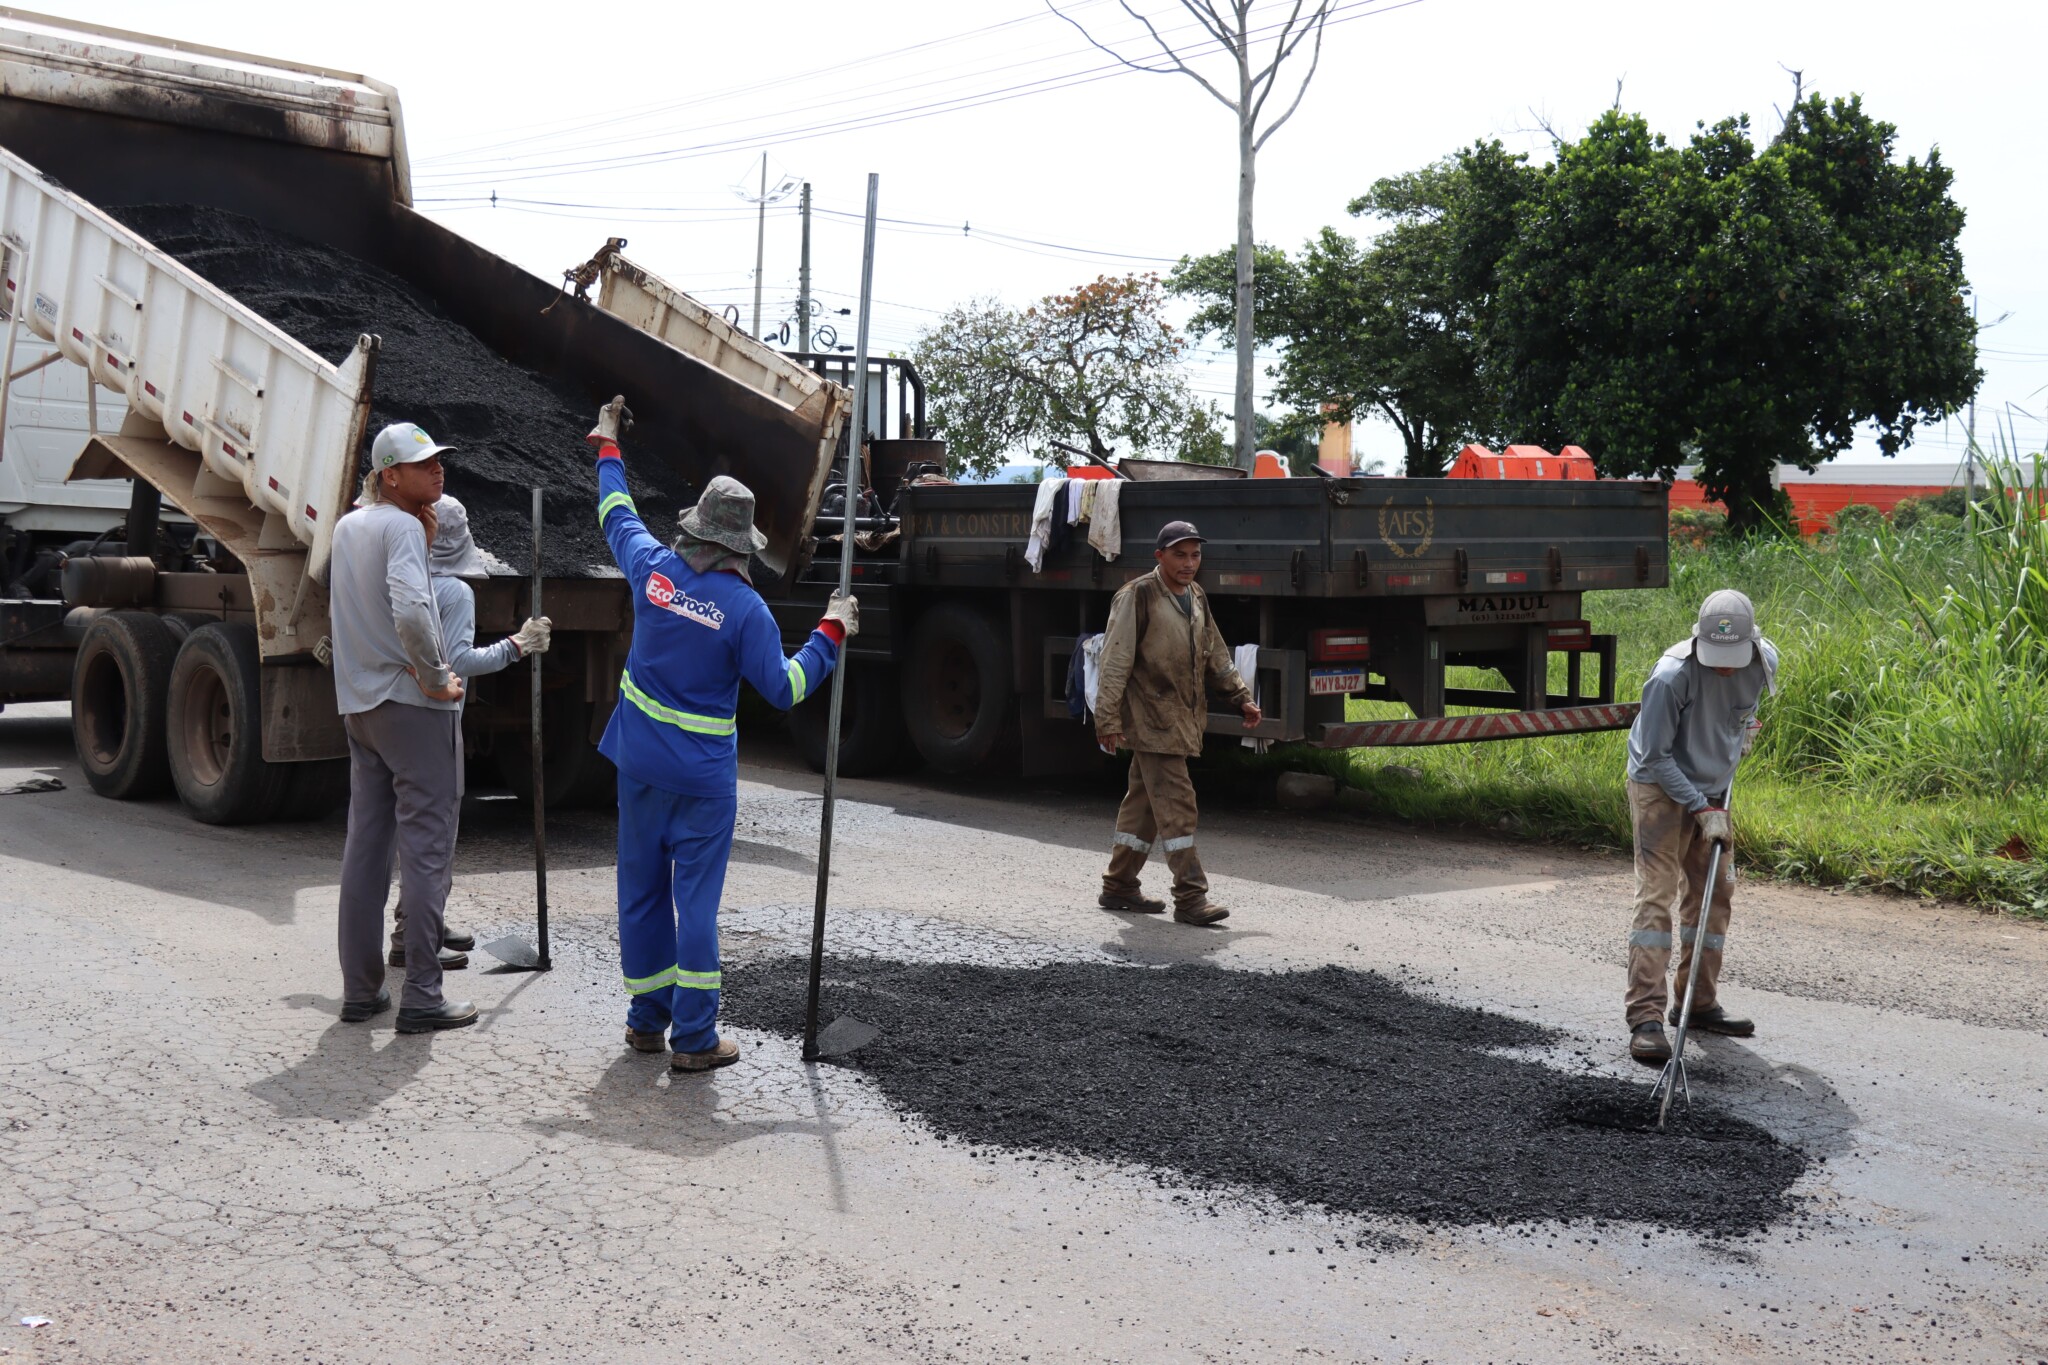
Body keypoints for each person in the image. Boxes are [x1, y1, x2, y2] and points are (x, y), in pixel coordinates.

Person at [589, 398, 857, 1072]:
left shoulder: (652, 570)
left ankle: (646, 1022)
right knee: (696, 905)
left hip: (639, 764)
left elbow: (614, 513)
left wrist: (608, 445)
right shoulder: (747, 611)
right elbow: (786, 688)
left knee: (642, 891)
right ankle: (697, 1038)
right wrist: (832, 630)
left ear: (695, 530)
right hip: (703, 784)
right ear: (741, 545)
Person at [329, 421, 476, 1034]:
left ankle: (362, 992)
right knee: (426, 847)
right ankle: (421, 994)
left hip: (359, 707)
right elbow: (413, 608)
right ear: (390, 475)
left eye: (440, 461)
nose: (438, 471)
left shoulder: (349, 525)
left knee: (366, 849)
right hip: (411, 709)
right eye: (424, 464)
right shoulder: (400, 527)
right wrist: (437, 674)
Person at [378, 494, 552, 971]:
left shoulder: (396, 578)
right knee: (435, 836)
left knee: (413, 832)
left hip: (390, 717)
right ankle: (414, 938)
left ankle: (417, 922)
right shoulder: (455, 593)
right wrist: (517, 646)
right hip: (434, 722)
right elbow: (459, 662)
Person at [1623, 588, 1778, 1064]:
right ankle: (1646, 1018)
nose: (1726, 667)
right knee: (1657, 897)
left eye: (1734, 657)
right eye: (1718, 657)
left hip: (1713, 790)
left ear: (1751, 642)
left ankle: (1699, 1001)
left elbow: (1745, 709)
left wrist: (1744, 727)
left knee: (1715, 895)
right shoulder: (1671, 677)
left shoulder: (1765, 660)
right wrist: (1698, 806)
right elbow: (1655, 756)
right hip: (1660, 789)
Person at [1094, 520, 1262, 926]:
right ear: (1160, 556)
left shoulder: (1196, 596)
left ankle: (1118, 886)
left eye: (1195, 555)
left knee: (1144, 808)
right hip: (1151, 719)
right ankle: (1190, 897)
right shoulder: (1137, 596)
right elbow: (1114, 662)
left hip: (1181, 718)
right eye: (1180, 555)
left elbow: (1215, 653)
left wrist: (1241, 696)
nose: (1189, 563)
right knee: (1178, 805)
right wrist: (1107, 718)